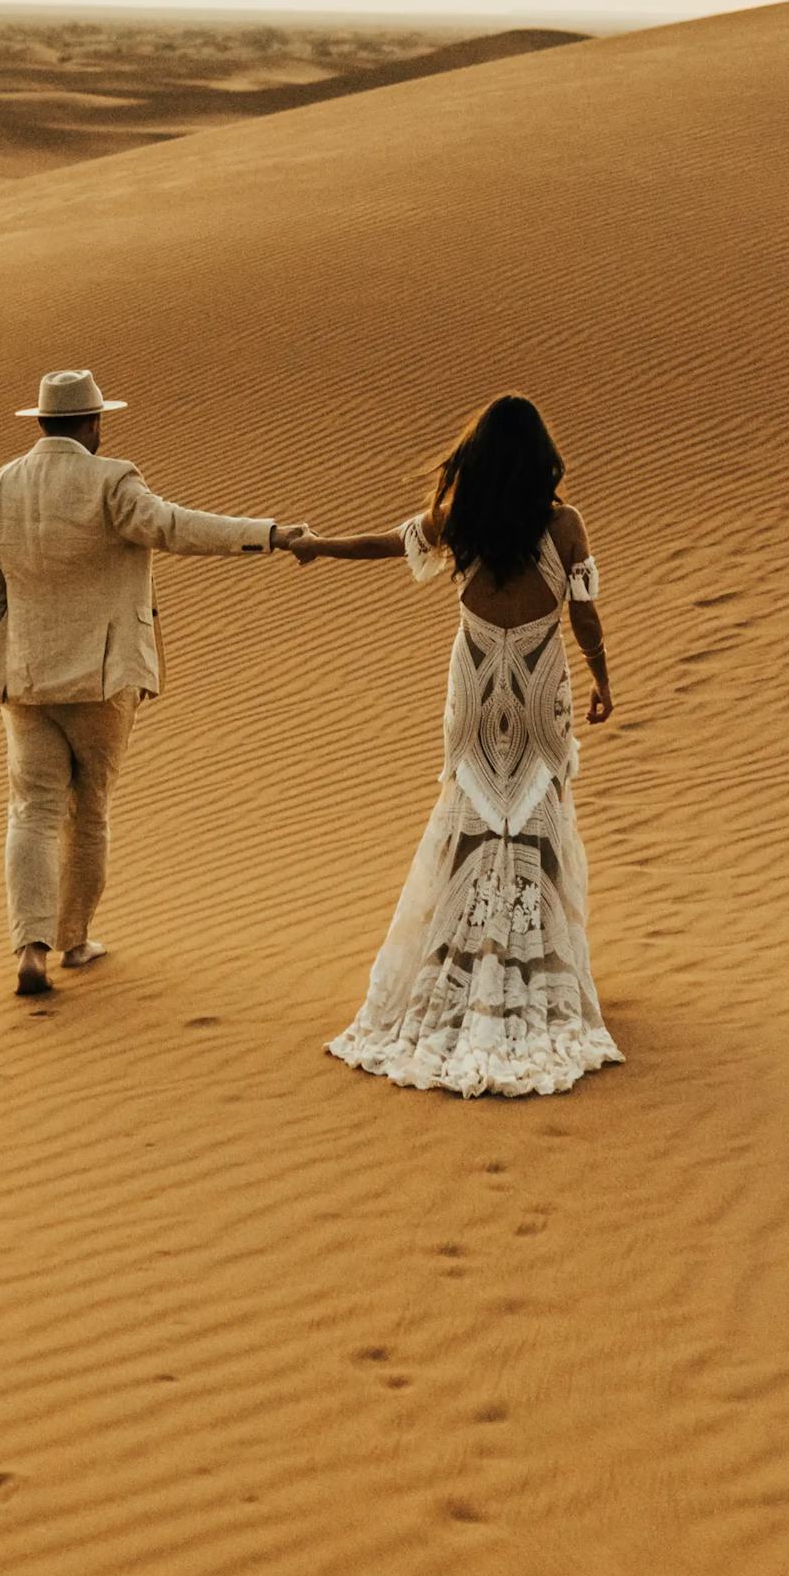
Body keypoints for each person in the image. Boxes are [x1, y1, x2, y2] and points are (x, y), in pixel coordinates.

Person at [283, 394, 624, 1096]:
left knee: (471, 814)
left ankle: (467, 961)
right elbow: (584, 616)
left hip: (473, 689)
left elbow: (384, 544)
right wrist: (603, 681)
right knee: (536, 815)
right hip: (535, 691)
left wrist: (317, 546)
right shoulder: (565, 525)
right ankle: (534, 971)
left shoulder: (462, 523)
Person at [0, 368, 304, 999]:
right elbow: (178, 528)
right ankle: (75, 939)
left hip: (26, 682)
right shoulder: (111, 481)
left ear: (41, 421)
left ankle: (30, 949)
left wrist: (9, 656)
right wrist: (269, 535)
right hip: (102, 680)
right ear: (93, 423)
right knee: (89, 810)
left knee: (32, 813)